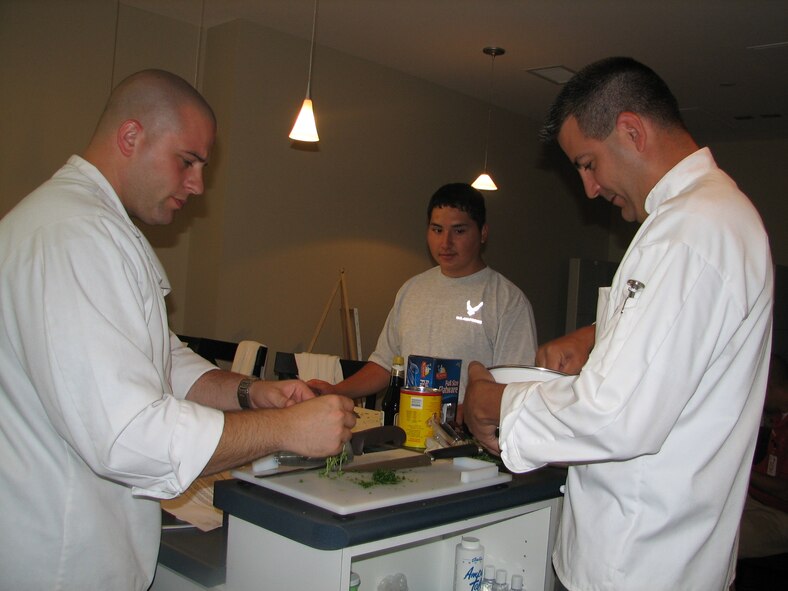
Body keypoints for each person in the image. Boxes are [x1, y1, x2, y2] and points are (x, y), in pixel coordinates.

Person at [0, 70, 356, 590]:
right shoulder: (74, 236)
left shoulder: (88, 226)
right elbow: (129, 436)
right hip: (59, 565)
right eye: (187, 161)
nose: (197, 184)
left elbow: (157, 358)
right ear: (130, 137)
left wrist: (252, 393)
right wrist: (286, 431)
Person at [464, 57, 773, 590]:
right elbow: (676, 345)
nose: (588, 188)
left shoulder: (691, 231)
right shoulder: (706, 217)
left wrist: (498, 405)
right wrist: (598, 336)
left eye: (587, 164)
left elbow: (618, 415)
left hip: (640, 566)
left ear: (631, 131)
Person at [309, 183, 537, 423]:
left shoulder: (508, 301)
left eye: (459, 231)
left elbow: (513, 390)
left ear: (482, 233)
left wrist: (464, 414)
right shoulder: (412, 290)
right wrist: (336, 390)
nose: (445, 242)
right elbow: (385, 365)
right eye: (437, 230)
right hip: (409, 431)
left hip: (468, 443)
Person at [738, 353, 788, 559]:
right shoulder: (778, 419)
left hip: (780, 516)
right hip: (757, 501)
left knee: (716, 539)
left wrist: (741, 471)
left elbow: (784, 490)